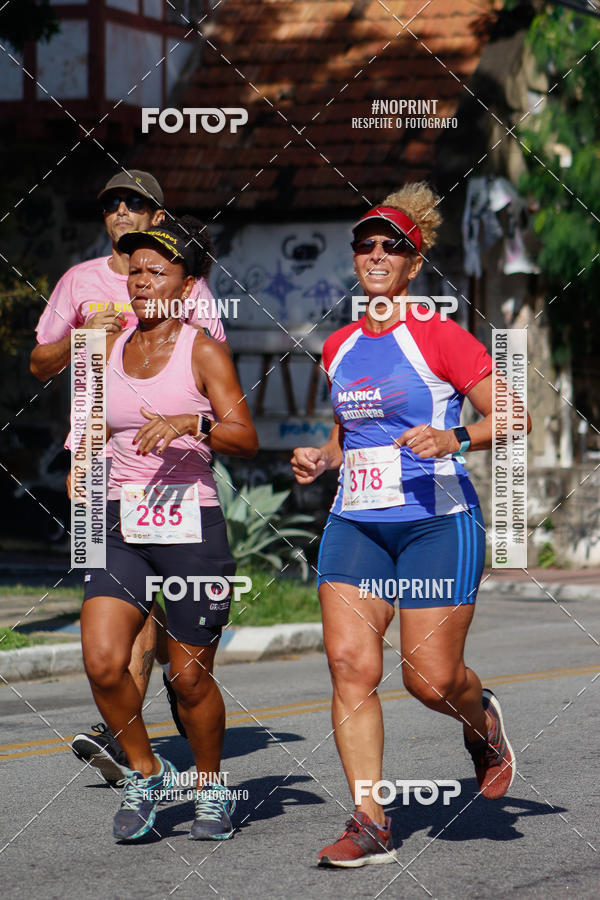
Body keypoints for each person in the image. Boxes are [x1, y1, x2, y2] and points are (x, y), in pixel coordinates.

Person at [291, 182, 530, 868]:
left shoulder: (439, 336)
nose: (375, 254)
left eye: (391, 246)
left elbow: (515, 416)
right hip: (357, 523)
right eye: (364, 244)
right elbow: (349, 435)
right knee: (349, 666)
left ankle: (480, 721)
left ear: (413, 262)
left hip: (435, 521)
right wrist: (323, 456)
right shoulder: (336, 346)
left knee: (427, 679)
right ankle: (369, 818)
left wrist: (455, 439)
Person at [30, 169, 226, 781]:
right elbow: (40, 363)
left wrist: (191, 423)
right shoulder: (79, 281)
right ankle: (125, 727)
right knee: (115, 601)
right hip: (97, 466)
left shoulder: (185, 286)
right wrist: (85, 338)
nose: (121, 211)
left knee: (163, 613)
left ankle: (149, 716)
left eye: (135, 203)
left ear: (158, 217)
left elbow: (214, 389)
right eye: (112, 202)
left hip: (176, 475)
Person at [72, 216, 257, 841]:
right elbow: (91, 416)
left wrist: (190, 423)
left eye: (158, 271)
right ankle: (147, 772)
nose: (142, 281)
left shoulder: (203, 349)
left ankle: (209, 788)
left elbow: (245, 437)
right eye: (136, 270)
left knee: (188, 678)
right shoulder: (108, 344)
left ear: (188, 283)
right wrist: (81, 458)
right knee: (102, 662)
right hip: (121, 521)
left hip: (190, 527)